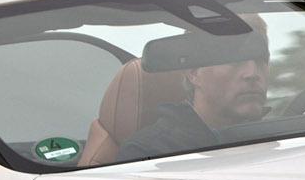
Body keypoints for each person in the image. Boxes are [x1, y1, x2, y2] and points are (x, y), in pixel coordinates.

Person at [115, 23, 269, 161]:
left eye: (261, 60)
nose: (253, 73)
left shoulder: (279, 138)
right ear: (194, 73)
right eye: (234, 60)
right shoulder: (148, 153)